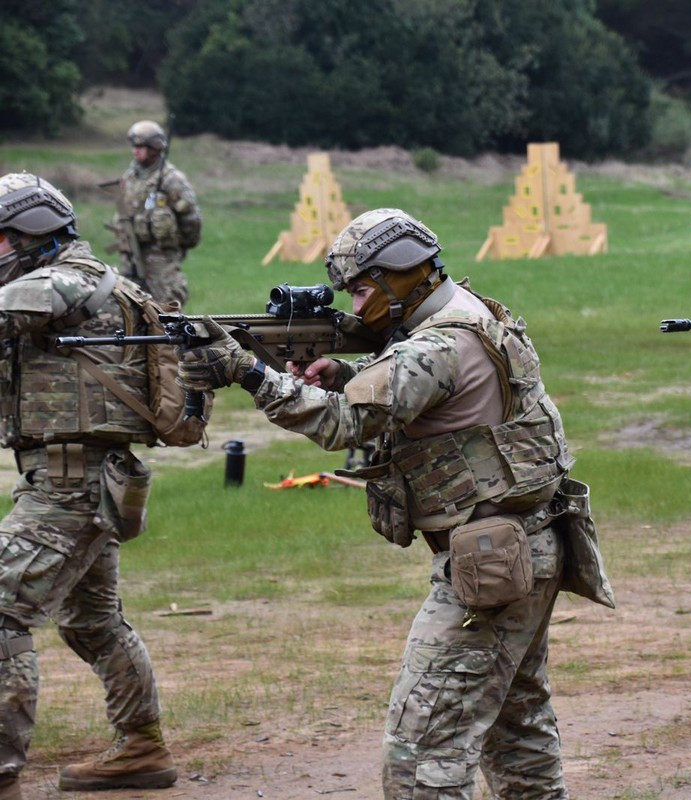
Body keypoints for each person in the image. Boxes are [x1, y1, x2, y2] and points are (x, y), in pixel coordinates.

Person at [177, 208, 614, 799]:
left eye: (362, 290)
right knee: (518, 736)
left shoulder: (435, 344)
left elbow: (342, 424)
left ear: (401, 275)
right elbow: (426, 395)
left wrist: (249, 372)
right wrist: (349, 371)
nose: (356, 308)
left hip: (490, 564)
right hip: (527, 547)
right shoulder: (473, 312)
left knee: (422, 753)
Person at [0, 173, 178, 798]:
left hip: (68, 487)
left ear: (33, 237)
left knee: (2, 612)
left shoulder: (68, 280)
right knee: (93, 623)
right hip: (78, 481)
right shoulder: (92, 281)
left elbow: (32, 301)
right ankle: (141, 746)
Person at [113, 120, 202, 308]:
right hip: (131, 257)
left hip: (161, 257)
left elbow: (191, 221)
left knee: (166, 307)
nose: (136, 150)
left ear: (155, 148)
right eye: (134, 146)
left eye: (141, 146)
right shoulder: (130, 177)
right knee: (128, 306)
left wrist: (176, 246)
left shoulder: (172, 180)